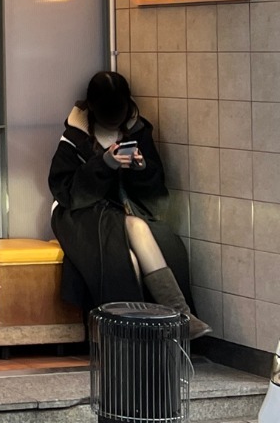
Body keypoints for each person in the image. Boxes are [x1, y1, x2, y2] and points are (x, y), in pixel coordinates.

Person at [49, 71, 208, 338]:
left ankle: (168, 321)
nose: (114, 122)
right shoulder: (74, 137)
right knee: (124, 254)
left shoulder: (138, 131)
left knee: (168, 243)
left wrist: (142, 169)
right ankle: (168, 320)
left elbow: (156, 197)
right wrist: (104, 165)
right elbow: (67, 194)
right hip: (78, 214)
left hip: (127, 208)